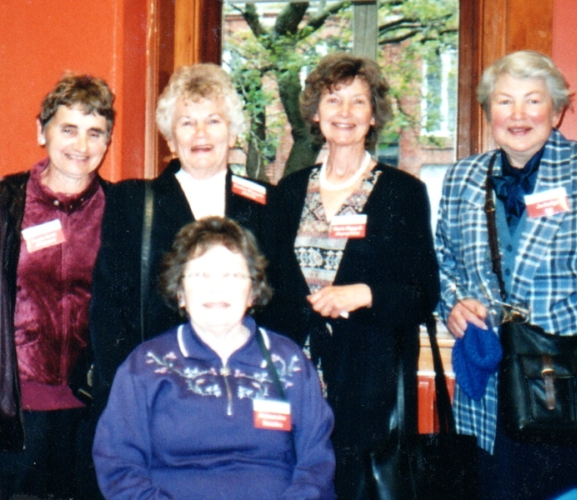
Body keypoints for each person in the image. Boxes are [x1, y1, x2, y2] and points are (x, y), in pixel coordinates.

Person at [436, 50, 577, 499]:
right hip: (491, 402)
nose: (518, 115)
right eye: (504, 102)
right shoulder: (463, 177)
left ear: (557, 111)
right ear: (488, 112)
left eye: (533, 101)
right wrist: (455, 304)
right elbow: (444, 262)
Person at [258, 52, 439, 498]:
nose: (344, 113)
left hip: (365, 381)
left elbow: (423, 292)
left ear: (374, 116)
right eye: (333, 100)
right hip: (291, 377)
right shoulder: (288, 192)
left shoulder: (402, 192)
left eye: (358, 102)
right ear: (315, 113)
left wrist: (364, 292)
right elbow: (268, 286)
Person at [93, 217, 336, 500]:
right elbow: (118, 466)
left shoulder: (289, 361)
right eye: (200, 276)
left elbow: (316, 463)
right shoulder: (146, 364)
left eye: (232, 276)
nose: (216, 288)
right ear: (180, 292)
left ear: (253, 292)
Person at [90, 62, 275, 411]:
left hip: (246, 389)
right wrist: (124, 394)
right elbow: (108, 311)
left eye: (213, 121)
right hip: (158, 392)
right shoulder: (131, 202)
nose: (200, 133)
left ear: (233, 134)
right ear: (171, 139)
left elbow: (283, 305)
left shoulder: (267, 205)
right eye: (187, 122)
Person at [0, 73, 114, 499]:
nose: (81, 146)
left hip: (95, 404)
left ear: (107, 141)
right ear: (41, 131)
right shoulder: (5, 202)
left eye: (95, 132)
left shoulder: (120, 210)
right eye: (68, 129)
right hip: (25, 405)